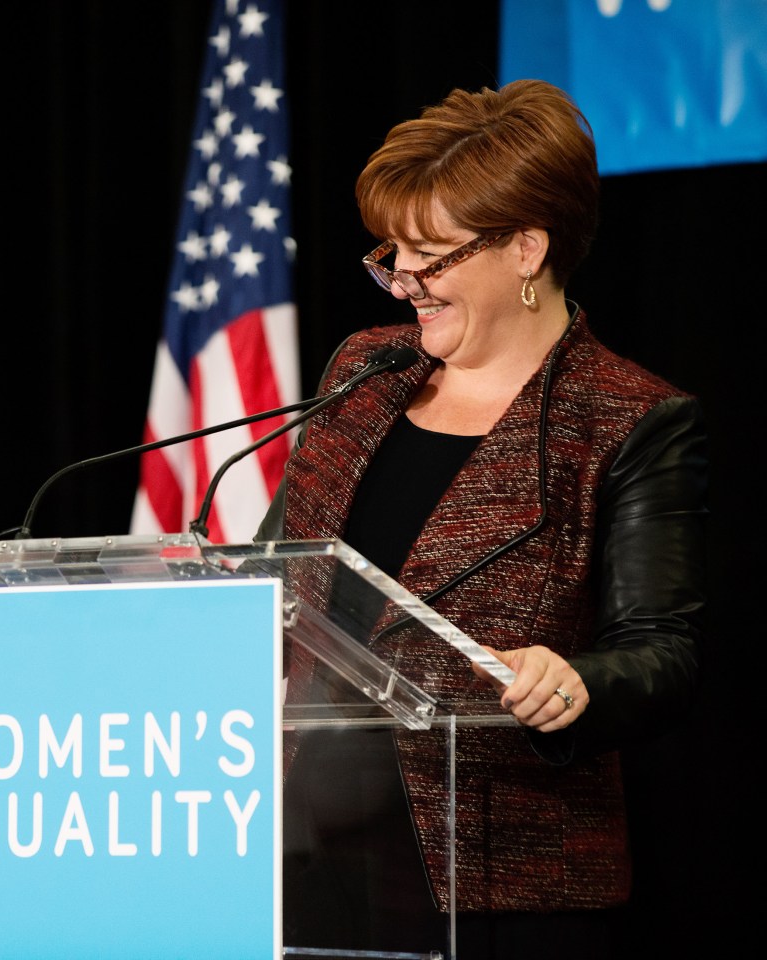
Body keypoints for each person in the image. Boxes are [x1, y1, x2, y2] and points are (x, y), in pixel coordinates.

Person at [256, 79, 707, 959]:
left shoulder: (625, 418)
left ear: (527, 248)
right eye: (393, 251)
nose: (405, 280)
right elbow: (281, 570)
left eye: (433, 255)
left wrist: (574, 679)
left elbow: (664, 650)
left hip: (495, 884)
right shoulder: (364, 369)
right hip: (298, 855)